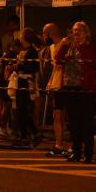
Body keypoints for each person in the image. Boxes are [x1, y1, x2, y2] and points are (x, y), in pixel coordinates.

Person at [56, 21, 96, 163]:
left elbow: (92, 62)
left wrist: (80, 45)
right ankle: (75, 151)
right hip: (70, 87)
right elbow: (58, 59)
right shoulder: (68, 46)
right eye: (74, 30)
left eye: (79, 30)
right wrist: (64, 44)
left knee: (86, 122)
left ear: (86, 32)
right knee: (73, 122)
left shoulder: (90, 47)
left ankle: (88, 153)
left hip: (85, 88)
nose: (76, 33)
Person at [41, 23, 68, 156]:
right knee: (57, 115)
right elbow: (54, 68)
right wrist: (50, 82)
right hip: (56, 84)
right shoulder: (51, 47)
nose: (43, 37)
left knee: (67, 115)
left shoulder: (66, 43)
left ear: (50, 33)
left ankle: (72, 145)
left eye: (45, 34)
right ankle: (59, 144)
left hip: (67, 84)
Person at [13, 28, 40, 146]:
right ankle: (29, 134)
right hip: (20, 81)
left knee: (23, 110)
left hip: (27, 82)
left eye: (21, 36)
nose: (20, 38)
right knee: (20, 110)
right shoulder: (24, 51)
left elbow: (33, 68)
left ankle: (27, 136)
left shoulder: (32, 51)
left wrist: (18, 67)